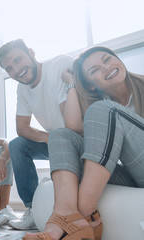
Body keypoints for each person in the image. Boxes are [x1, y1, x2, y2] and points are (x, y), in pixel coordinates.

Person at [24, 46, 144, 240]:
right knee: (60, 135)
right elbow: (72, 126)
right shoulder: (104, 105)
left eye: (107, 59)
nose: (106, 67)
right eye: (94, 70)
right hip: (131, 175)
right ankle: (64, 215)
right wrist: (71, 83)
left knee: (104, 109)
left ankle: (85, 211)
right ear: (90, 86)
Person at [0, 39, 74, 229]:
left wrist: (57, 139)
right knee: (17, 145)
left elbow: (72, 120)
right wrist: (49, 138)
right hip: (56, 141)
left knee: (60, 139)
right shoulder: (22, 89)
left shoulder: (58, 65)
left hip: (81, 137)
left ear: (31, 52)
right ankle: (31, 209)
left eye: (18, 60)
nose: (16, 70)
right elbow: (22, 128)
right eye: (9, 68)